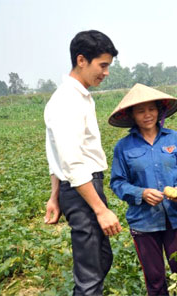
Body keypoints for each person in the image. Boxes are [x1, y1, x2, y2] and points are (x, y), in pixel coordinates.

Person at [43, 30, 122, 295]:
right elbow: (72, 165)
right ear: (81, 60)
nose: (106, 72)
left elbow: (56, 156)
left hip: (81, 187)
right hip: (81, 188)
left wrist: (54, 197)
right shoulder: (67, 101)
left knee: (101, 259)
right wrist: (100, 210)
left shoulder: (80, 97)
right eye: (103, 65)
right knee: (89, 274)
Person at [109, 83, 177, 296]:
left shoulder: (174, 139)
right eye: (140, 111)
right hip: (144, 222)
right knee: (155, 279)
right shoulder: (124, 147)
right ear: (132, 115)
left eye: (151, 109)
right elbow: (118, 182)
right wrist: (142, 193)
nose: (147, 115)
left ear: (159, 110)